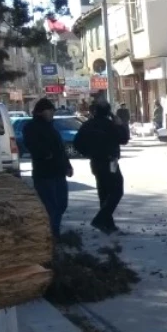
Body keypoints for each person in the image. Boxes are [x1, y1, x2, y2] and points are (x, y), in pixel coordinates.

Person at [73, 99, 130, 234]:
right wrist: (121, 125)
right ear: (108, 112)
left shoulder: (88, 125)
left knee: (103, 192)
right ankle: (101, 219)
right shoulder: (111, 125)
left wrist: (88, 153)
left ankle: (107, 224)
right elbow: (124, 139)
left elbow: (77, 143)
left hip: (96, 162)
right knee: (117, 191)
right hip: (110, 161)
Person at [22, 98, 72, 239]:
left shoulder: (51, 127)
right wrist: (46, 155)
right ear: (41, 111)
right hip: (44, 173)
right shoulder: (31, 127)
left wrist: (67, 165)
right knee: (51, 206)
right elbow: (32, 146)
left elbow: (60, 149)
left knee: (61, 204)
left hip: (58, 172)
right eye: (49, 111)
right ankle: (50, 235)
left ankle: (54, 232)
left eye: (52, 111)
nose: (52, 114)